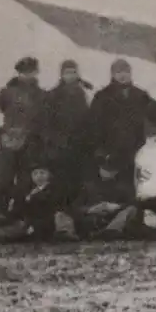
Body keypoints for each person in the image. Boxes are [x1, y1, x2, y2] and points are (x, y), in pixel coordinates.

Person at [0, 57, 47, 217]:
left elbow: (47, 118)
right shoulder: (7, 92)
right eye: (24, 72)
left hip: (31, 143)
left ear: (36, 72)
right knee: (3, 180)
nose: (27, 76)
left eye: (31, 72)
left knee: (26, 180)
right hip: (9, 142)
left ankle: (19, 215)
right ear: (18, 73)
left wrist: (40, 135)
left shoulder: (42, 95)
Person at [88, 59, 156, 186]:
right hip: (111, 153)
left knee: (134, 190)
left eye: (126, 71)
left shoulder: (140, 95)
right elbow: (94, 126)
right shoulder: (102, 97)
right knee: (112, 192)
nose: (122, 75)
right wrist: (100, 153)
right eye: (118, 72)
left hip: (136, 152)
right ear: (112, 74)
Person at [45, 60, 91, 206]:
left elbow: (88, 118)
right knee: (61, 184)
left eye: (73, 72)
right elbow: (46, 123)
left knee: (78, 182)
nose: (70, 76)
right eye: (67, 73)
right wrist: (57, 140)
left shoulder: (82, 93)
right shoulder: (53, 95)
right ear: (61, 75)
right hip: (60, 148)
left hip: (79, 146)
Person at [0, 165, 61, 244]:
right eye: (35, 173)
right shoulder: (29, 190)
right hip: (17, 219)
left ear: (49, 175)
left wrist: (31, 225)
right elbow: (19, 207)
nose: (39, 176)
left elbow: (48, 214)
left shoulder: (52, 191)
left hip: (30, 225)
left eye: (42, 173)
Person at [67, 154, 141, 240]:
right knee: (64, 214)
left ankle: (110, 231)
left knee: (132, 210)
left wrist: (117, 207)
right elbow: (75, 207)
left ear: (116, 172)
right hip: (91, 218)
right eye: (104, 169)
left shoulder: (122, 188)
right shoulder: (88, 186)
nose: (107, 173)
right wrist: (90, 209)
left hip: (112, 219)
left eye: (110, 170)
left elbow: (132, 204)